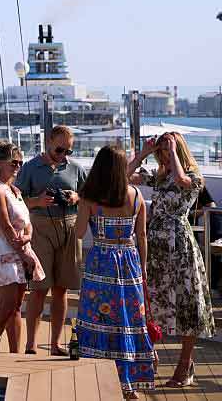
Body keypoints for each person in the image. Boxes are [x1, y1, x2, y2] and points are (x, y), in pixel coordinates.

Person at [129, 132, 214, 388]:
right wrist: (144, 153)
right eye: (162, 151)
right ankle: (149, 355)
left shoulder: (194, 177)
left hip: (180, 246)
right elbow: (123, 177)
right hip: (156, 245)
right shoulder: (159, 177)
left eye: (167, 150)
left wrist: (174, 151)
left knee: (187, 303)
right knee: (152, 301)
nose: (164, 154)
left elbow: (181, 180)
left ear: (178, 150)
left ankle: (185, 364)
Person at [75, 145, 155, 398]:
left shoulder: (90, 198)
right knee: (128, 319)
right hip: (130, 261)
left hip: (101, 262)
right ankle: (128, 383)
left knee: (98, 318)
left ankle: (95, 376)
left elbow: (78, 233)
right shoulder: (136, 195)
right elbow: (142, 236)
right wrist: (143, 268)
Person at [16, 124, 87, 355]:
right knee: (39, 288)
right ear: (48, 142)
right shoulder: (30, 168)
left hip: (69, 227)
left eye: (68, 151)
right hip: (41, 228)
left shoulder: (76, 168)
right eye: (59, 149)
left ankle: (56, 344)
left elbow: (89, 196)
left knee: (61, 289)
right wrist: (37, 201)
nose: (63, 155)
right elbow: (15, 200)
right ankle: (31, 344)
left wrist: (76, 197)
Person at [0, 143, 45, 353]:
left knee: (16, 307)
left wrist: (28, 237)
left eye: (20, 163)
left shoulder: (14, 190)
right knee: (7, 306)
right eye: (13, 162)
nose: (18, 166)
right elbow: (6, 226)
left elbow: (26, 221)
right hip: (5, 250)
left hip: (21, 248)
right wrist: (23, 253)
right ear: (0, 163)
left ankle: (14, 353)